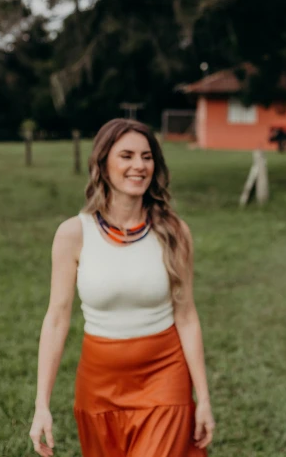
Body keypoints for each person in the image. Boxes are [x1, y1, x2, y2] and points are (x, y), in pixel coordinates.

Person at [29, 119, 215, 457]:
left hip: (164, 377)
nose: (139, 166)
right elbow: (56, 319)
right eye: (126, 156)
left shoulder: (174, 232)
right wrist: (41, 404)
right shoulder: (73, 234)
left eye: (146, 157)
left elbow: (186, 316)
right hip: (99, 384)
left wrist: (202, 399)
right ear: (102, 165)